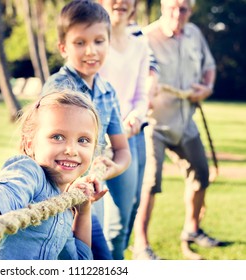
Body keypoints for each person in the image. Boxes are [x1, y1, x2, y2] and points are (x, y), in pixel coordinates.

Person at [0, 90, 108, 260]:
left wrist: (83, 211)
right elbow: (7, 191)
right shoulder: (30, 172)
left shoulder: (63, 210)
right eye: (58, 137)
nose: (71, 150)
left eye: (83, 140)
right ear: (30, 144)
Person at [41, 0, 131, 260]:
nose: (91, 51)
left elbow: (123, 150)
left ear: (108, 43)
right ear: (63, 47)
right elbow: (45, 147)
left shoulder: (107, 91)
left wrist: (112, 168)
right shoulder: (59, 87)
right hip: (59, 201)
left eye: (99, 41)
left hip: (90, 202)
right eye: (80, 43)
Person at [132, 0, 221, 260]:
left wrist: (206, 88)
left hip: (186, 121)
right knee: (150, 182)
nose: (177, 14)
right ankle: (141, 245)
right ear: (162, 7)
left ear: (190, 11)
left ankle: (192, 229)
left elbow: (210, 67)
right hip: (154, 125)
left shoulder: (194, 34)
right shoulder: (146, 37)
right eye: (172, 7)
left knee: (201, 173)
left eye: (183, 9)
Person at [97, 0, 150, 260]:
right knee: (92, 221)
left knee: (128, 210)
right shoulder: (94, 43)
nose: (121, 2)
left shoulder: (140, 45)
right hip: (95, 141)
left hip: (131, 136)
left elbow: (142, 95)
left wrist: (135, 117)